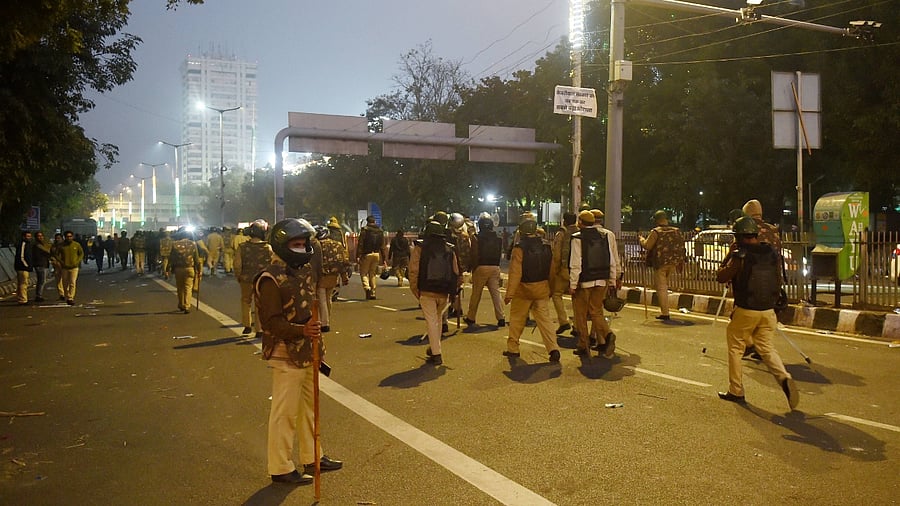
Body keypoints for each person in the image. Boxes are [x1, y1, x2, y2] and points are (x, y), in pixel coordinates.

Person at [256, 218, 342, 485]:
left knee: (310, 409)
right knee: (285, 413)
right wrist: (301, 330)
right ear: (282, 245)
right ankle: (280, 466)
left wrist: (315, 340)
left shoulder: (303, 271)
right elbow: (272, 323)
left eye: (304, 243)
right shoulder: (270, 278)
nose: (302, 248)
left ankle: (313, 456)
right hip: (285, 354)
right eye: (296, 244)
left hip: (308, 351)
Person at [715, 216, 798, 410]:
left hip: (746, 309)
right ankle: (783, 377)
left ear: (738, 236)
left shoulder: (740, 255)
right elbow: (778, 279)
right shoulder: (770, 252)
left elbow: (721, 276)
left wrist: (730, 255)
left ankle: (736, 390)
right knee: (766, 348)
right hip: (768, 310)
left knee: (736, 346)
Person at [503, 215, 561, 362]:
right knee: (545, 320)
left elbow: (516, 273)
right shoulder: (546, 246)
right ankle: (553, 348)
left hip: (524, 290)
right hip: (542, 288)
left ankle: (513, 348)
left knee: (517, 319)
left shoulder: (519, 248)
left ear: (521, 231)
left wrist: (509, 294)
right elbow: (552, 271)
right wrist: (551, 288)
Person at [569, 210, 621, 358]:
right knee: (596, 311)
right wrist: (612, 280)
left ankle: (583, 345)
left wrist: (573, 284)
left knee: (580, 314)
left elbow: (576, 263)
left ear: (580, 222)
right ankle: (608, 334)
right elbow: (611, 259)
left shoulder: (577, 238)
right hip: (602, 279)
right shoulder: (604, 236)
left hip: (585, 281)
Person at [409, 220, 462, 366]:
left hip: (426, 290)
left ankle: (437, 354)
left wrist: (415, 290)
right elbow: (455, 272)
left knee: (432, 321)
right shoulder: (449, 249)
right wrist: (453, 292)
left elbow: (413, 271)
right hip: (444, 292)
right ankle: (434, 350)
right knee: (437, 320)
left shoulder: (420, 248)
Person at [639, 210, 686, 321]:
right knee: (665, 287)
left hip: (660, 264)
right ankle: (665, 311)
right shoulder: (676, 231)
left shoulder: (656, 232)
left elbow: (647, 246)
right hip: (673, 262)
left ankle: (665, 313)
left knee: (661, 288)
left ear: (656, 220)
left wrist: (641, 239)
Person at [465, 212, 505, 327]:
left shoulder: (476, 238)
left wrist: (471, 267)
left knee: (476, 294)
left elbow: (474, 254)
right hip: (495, 267)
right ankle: (501, 317)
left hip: (481, 267)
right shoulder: (498, 238)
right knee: (496, 293)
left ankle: (471, 317)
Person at [235, 220, 273, 335]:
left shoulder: (242, 247)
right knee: (259, 303)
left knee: (246, 301)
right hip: (261, 280)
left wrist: (238, 276)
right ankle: (259, 329)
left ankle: (247, 325)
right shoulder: (267, 248)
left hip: (246, 279)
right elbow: (273, 264)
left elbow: (237, 264)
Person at [316, 225, 350, 333]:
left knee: (321, 301)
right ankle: (327, 319)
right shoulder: (338, 245)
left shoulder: (317, 245)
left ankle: (324, 324)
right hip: (334, 276)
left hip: (322, 276)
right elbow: (343, 261)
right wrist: (344, 276)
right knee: (328, 299)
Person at [551, 212, 578, 334]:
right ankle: (577, 325)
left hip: (565, 269)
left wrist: (555, 269)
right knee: (577, 298)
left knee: (556, 294)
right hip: (578, 270)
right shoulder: (580, 232)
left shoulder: (562, 233)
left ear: (564, 221)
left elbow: (557, 254)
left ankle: (563, 321)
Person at [169, 228, 201, 313]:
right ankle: (187, 306)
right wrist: (198, 269)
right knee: (188, 287)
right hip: (189, 268)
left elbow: (172, 257)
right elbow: (196, 258)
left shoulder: (175, 244)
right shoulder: (193, 244)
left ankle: (181, 304)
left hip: (178, 268)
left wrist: (169, 268)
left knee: (180, 288)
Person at [357, 215, 386, 300]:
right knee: (372, 274)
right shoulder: (380, 231)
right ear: (374, 221)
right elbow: (382, 246)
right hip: (376, 254)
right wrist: (384, 259)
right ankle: (373, 292)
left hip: (367, 254)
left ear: (367, 222)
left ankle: (367, 288)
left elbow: (360, 244)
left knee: (363, 273)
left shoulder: (365, 231)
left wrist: (358, 255)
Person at [55, 230, 84, 305]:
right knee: (65, 283)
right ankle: (67, 295)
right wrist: (61, 262)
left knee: (72, 282)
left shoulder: (76, 245)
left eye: (70, 236)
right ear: (65, 237)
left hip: (74, 267)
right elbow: (56, 254)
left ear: (72, 237)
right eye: (67, 236)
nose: (69, 238)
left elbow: (81, 253)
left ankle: (70, 298)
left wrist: (77, 261)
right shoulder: (61, 246)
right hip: (65, 267)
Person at [32, 231, 52, 302]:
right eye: (39, 236)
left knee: (41, 280)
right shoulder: (37, 245)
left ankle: (39, 295)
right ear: (36, 237)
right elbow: (48, 252)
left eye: (41, 236)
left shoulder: (42, 244)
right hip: (40, 265)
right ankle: (38, 296)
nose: (40, 237)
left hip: (43, 264)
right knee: (41, 281)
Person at [14, 230, 34, 305]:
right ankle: (23, 300)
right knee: (23, 283)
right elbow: (21, 256)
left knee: (21, 283)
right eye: (27, 236)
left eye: (30, 236)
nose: (29, 238)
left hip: (22, 267)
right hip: (22, 267)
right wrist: (26, 265)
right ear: (23, 237)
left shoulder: (28, 245)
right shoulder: (23, 244)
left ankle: (20, 298)